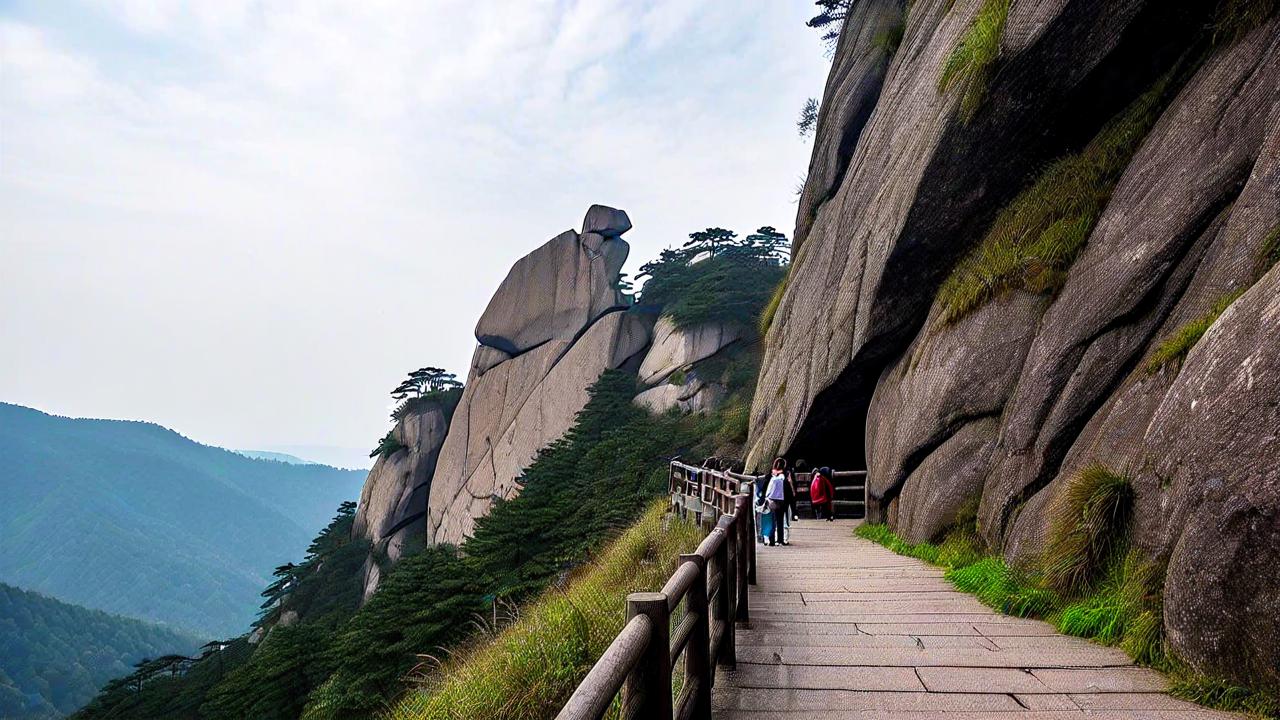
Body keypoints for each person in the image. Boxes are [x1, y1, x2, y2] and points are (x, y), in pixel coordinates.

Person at [765, 458, 788, 546]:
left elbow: (767, 489)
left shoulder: (771, 476)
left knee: (771, 520)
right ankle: (780, 539)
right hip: (782, 500)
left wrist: (766, 497)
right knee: (780, 520)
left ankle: (771, 540)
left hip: (772, 500)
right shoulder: (784, 476)